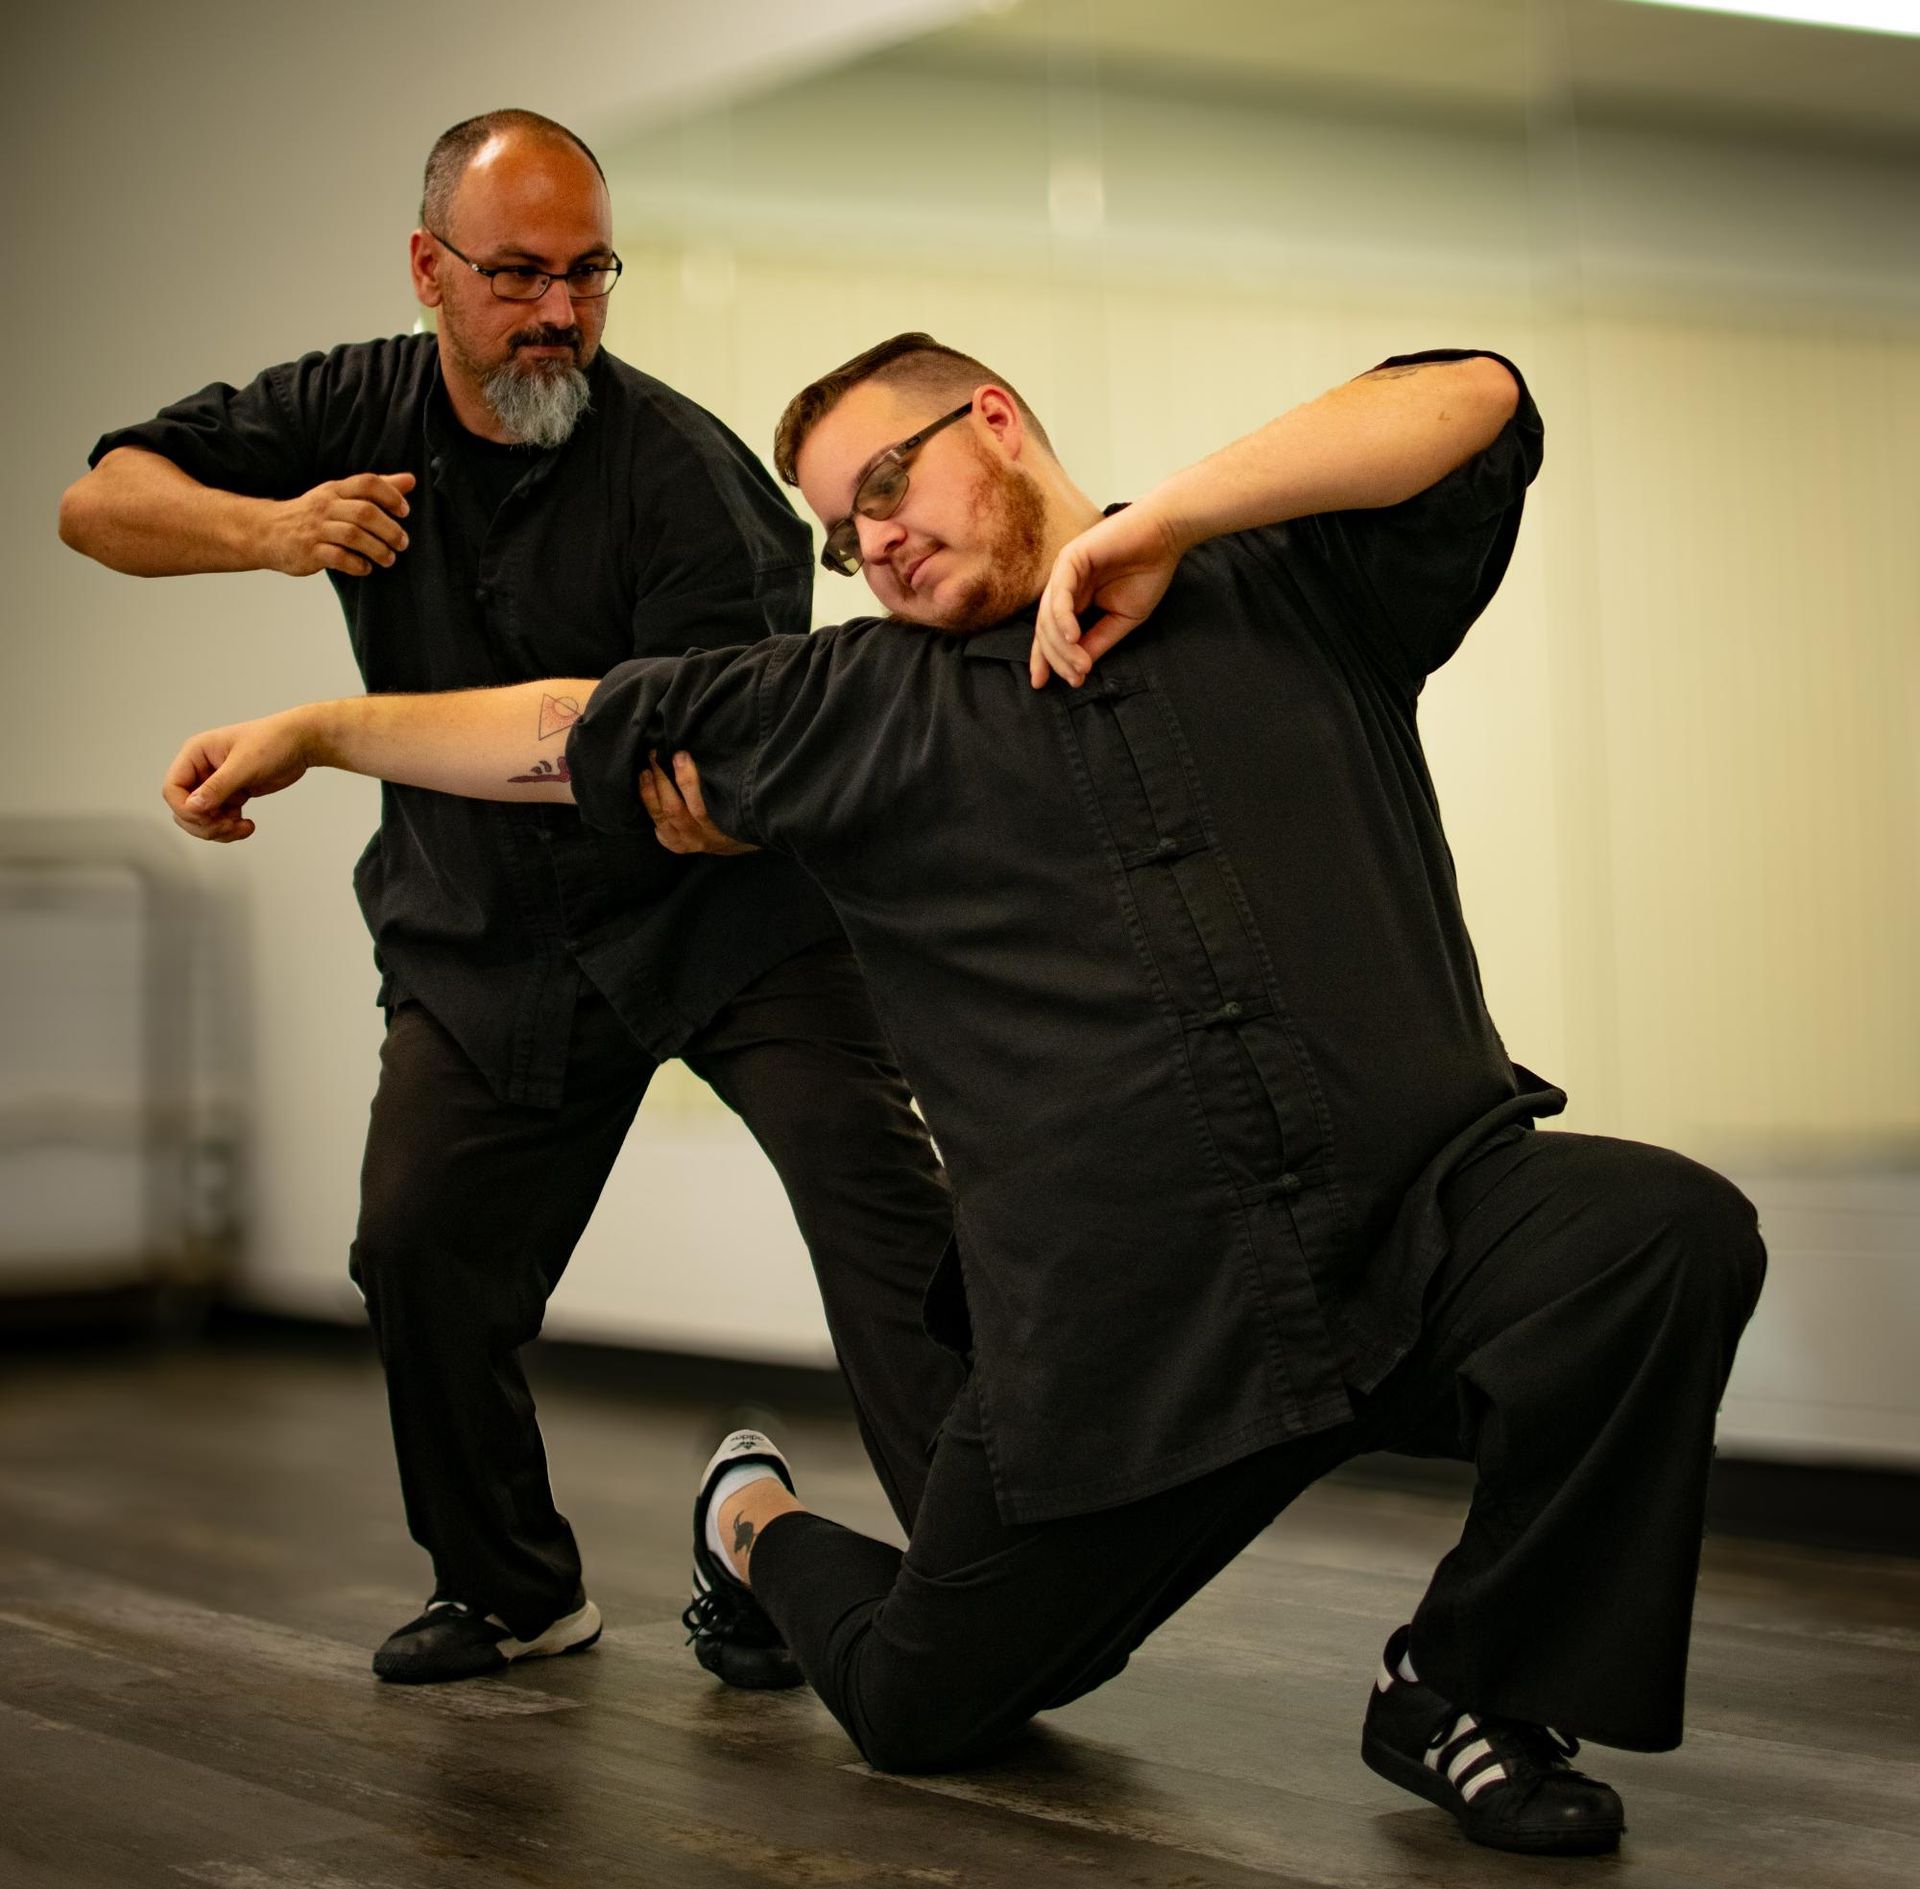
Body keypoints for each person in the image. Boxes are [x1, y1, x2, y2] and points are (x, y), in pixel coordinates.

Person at [158, 334, 1766, 1857]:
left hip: (1420, 1234)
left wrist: (1175, 520)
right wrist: (319, 730)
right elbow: (562, 724)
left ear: (993, 418)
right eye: (839, 534)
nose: (869, 545)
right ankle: (755, 1526)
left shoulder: (1290, 587)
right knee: (930, 1707)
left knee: (1659, 1235)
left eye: (882, 488)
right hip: (1124, 1350)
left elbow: (1473, 395)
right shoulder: (852, 703)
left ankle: (1468, 1685)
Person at [58, 122, 962, 1689]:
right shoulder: (354, 405)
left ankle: (986, 1571)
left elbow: (651, 761)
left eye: (589, 273)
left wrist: (708, 789)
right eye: (521, 274)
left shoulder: (691, 487)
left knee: (881, 1221)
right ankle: (513, 1590)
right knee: (415, 1246)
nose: (560, 310)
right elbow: (100, 501)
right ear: (431, 272)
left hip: (723, 923)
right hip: (481, 929)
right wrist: (272, 532)